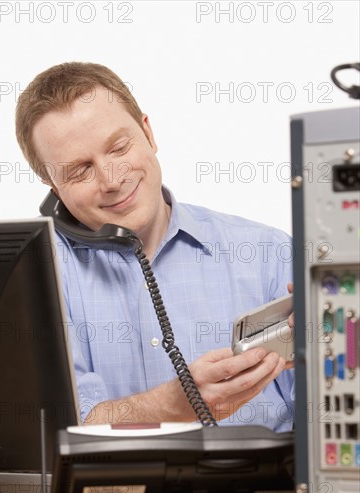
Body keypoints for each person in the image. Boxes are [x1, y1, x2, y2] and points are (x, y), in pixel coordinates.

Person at [15, 62, 295, 430]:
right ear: (53, 188)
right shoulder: (34, 281)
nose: (111, 180)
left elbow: (330, 415)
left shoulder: (269, 253)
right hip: (112, 488)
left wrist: (339, 345)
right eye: (79, 171)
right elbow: (53, 430)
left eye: (118, 147)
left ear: (148, 133)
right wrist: (173, 404)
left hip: (265, 485)